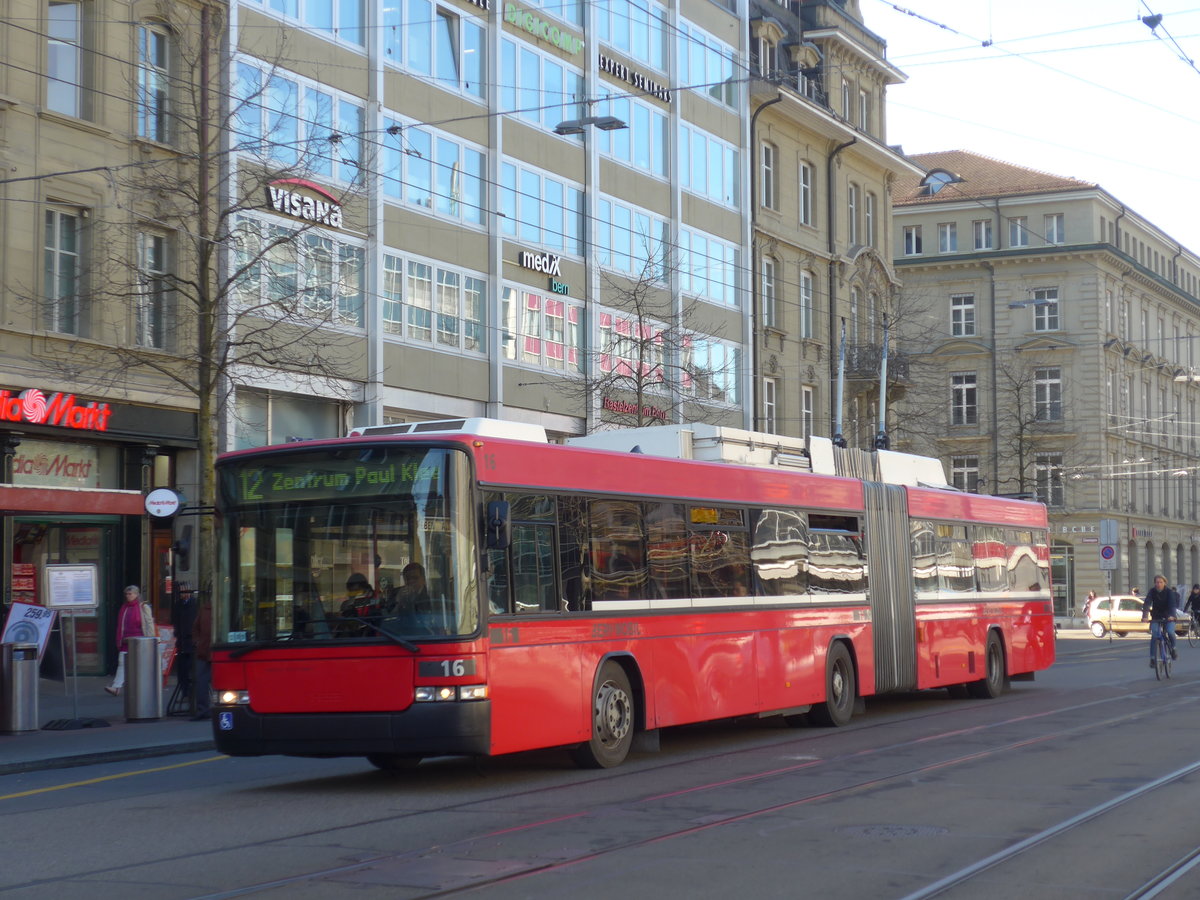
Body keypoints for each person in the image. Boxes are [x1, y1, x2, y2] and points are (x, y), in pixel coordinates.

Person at [106, 585, 150, 696]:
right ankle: (116, 687)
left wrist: (151, 639)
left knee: (139, 665)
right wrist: (119, 639)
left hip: (140, 639)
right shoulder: (124, 607)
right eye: (126, 594)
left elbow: (149, 624)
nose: (128, 596)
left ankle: (143, 687)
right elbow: (120, 625)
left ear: (136, 594)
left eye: (130, 594)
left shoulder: (143, 607)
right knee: (122, 663)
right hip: (126, 640)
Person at [1141, 574, 1178, 666]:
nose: (1159, 584)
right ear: (1154, 583)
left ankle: (1173, 648)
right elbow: (1147, 603)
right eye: (1157, 582)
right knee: (1155, 635)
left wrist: (1171, 616)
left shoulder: (1169, 592)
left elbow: (1172, 605)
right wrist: (1145, 616)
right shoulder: (1152, 591)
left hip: (1168, 616)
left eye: (1161, 582)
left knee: (1170, 631)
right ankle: (1153, 658)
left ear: (1165, 583)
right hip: (1156, 617)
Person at [171, 582, 196, 697]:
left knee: (191, 667)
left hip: (192, 641)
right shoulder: (178, 605)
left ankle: (191, 690)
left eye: (183, 591)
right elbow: (175, 621)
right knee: (182, 669)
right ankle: (185, 690)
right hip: (182, 641)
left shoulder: (195, 604)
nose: (182, 594)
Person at [192, 591, 212, 720]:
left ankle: (202, 709)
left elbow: (195, 627)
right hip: (208, 650)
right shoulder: (207, 609)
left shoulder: (204, 609)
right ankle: (205, 709)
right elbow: (196, 628)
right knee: (204, 681)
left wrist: (198, 642)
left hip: (204, 649)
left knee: (202, 681)